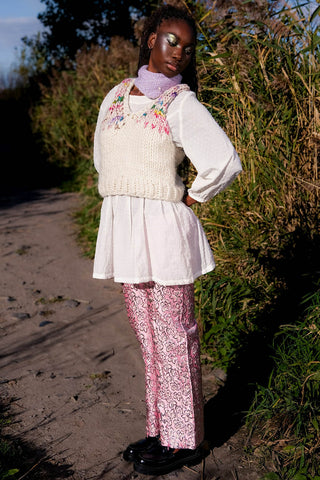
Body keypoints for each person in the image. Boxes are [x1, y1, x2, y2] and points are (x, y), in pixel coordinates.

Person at [92, 4, 242, 476]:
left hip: (165, 232)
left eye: (188, 47)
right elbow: (104, 160)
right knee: (149, 338)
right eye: (171, 40)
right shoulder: (116, 96)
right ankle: (160, 428)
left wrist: (188, 199)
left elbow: (223, 160)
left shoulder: (182, 103)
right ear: (152, 36)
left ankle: (187, 440)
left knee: (176, 338)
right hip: (125, 230)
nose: (179, 52)